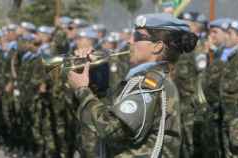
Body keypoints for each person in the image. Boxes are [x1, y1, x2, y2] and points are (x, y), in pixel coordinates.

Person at [68, 13, 197, 157]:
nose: (129, 41)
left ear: (157, 47)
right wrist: (91, 75)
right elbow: (106, 114)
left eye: (137, 36)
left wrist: (82, 91)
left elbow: (112, 129)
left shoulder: (150, 84)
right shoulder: (141, 79)